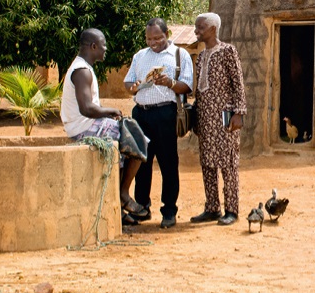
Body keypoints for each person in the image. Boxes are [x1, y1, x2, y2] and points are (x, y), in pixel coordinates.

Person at [61, 28, 147, 225]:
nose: (105, 49)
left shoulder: (84, 67)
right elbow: (86, 108)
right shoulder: (82, 71)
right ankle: (123, 195)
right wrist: (111, 111)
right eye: (103, 45)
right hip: (84, 127)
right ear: (93, 46)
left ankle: (118, 200)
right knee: (137, 141)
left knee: (133, 139)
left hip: (88, 123)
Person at [123, 18, 193, 229]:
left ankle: (169, 211)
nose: (153, 42)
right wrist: (133, 86)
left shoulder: (180, 55)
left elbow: (188, 86)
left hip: (166, 113)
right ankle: (142, 207)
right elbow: (128, 82)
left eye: (157, 38)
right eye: (149, 38)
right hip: (141, 114)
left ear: (167, 34)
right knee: (140, 162)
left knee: (168, 163)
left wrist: (170, 83)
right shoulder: (140, 56)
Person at [188, 13, 247, 226]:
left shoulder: (227, 51)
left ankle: (232, 209)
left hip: (225, 116)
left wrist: (239, 112)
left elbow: (238, 83)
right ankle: (212, 207)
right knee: (207, 162)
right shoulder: (202, 56)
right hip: (205, 116)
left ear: (213, 29)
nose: (197, 31)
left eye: (200, 27)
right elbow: (200, 90)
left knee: (228, 162)